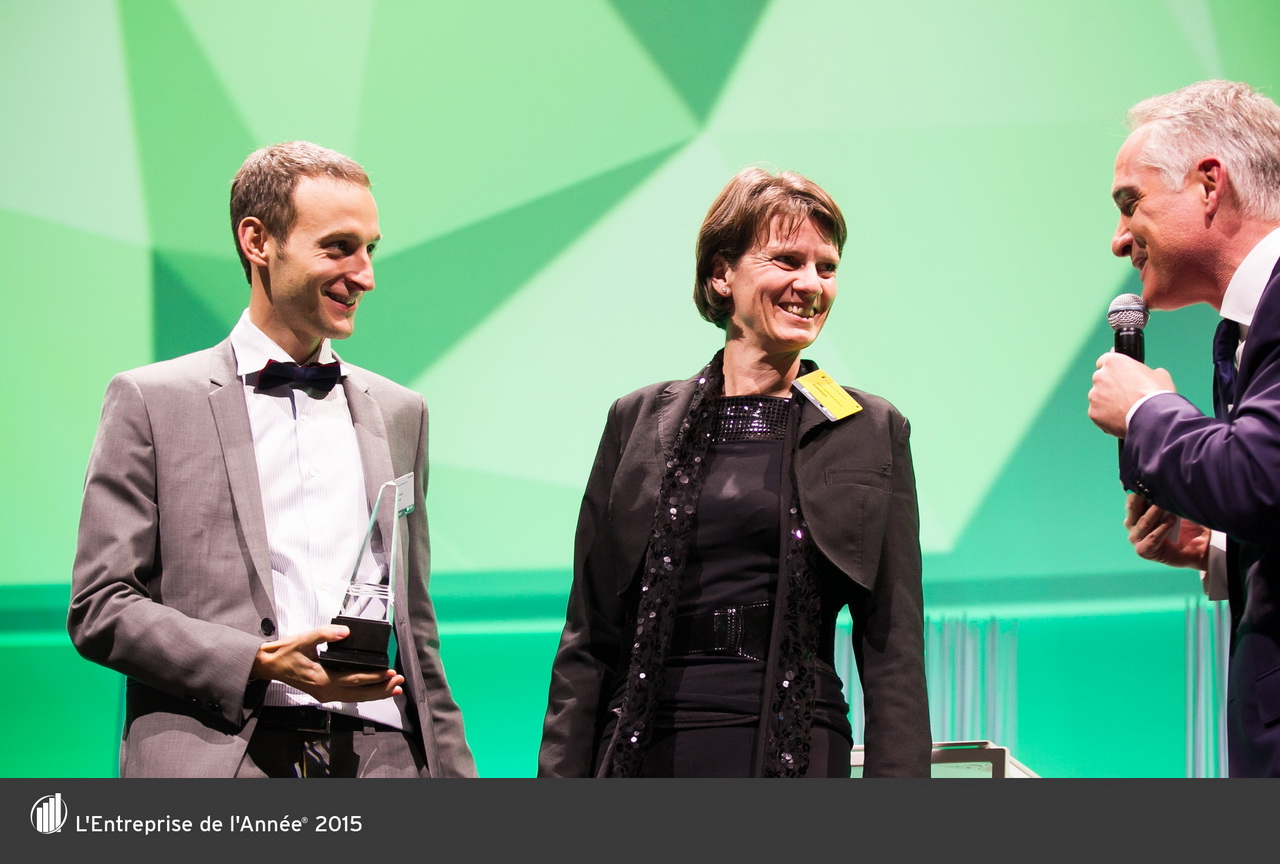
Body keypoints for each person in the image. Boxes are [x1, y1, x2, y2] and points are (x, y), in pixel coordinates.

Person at [68, 141, 476, 778]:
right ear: (258, 241)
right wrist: (256, 661)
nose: (365, 275)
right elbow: (101, 606)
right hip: (222, 760)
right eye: (338, 248)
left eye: (370, 249)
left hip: (383, 760)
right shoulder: (151, 401)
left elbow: (417, 631)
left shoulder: (401, 412)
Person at [538, 167, 931, 777]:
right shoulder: (637, 420)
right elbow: (589, 637)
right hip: (646, 746)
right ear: (722, 274)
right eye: (787, 260)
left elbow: (893, 649)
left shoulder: (869, 428)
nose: (811, 284)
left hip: (798, 747)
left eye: (827, 267)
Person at [1087, 80, 1280, 777]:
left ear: (1208, 184)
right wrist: (1217, 547)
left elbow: (1260, 474)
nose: (1118, 239)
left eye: (1129, 203)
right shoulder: (1243, 329)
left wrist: (1146, 410)